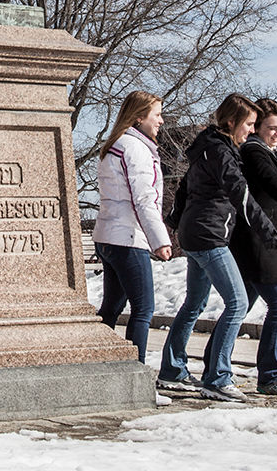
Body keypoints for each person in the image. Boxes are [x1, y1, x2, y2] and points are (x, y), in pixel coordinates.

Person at [157, 93, 277, 402]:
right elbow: (239, 193)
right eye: (250, 124)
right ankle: (217, 377)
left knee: (195, 303)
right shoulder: (220, 151)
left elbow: (185, 187)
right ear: (231, 122)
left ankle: (172, 370)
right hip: (209, 235)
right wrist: (267, 231)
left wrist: (175, 220)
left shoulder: (209, 146)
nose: (252, 131)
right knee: (238, 302)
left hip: (196, 232)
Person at [207, 97, 277, 396]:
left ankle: (212, 365)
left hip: (258, 237)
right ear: (256, 127)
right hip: (257, 240)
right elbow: (275, 186)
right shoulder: (255, 152)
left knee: (240, 306)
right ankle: (271, 374)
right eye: (272, 127)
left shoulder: (265, 150)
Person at [92, 91, 173, 363]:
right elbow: (143, 198)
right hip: (127, 237)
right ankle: (135, 373)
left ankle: (98, 363)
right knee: (143, 308)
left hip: (108, 236)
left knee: (112, 307)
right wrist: (160, 240)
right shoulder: (135, 148)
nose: (161, 121)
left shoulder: (116, 144)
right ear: (139, 117)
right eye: (157, 115)